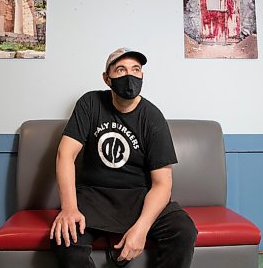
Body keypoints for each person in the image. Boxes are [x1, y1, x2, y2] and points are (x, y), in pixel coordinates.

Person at [50, 48, 197, 267]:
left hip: (138, 197)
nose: (129, 76)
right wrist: (69, 208)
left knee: (183, 230)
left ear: (142, 75)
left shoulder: (153, 117)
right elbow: (65, 154)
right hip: (93, 197)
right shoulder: (90, 103)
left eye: (135, 69)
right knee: (64, 238)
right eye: (121, 69)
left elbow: (162, 184)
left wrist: (141, 229)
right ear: (106, 78)